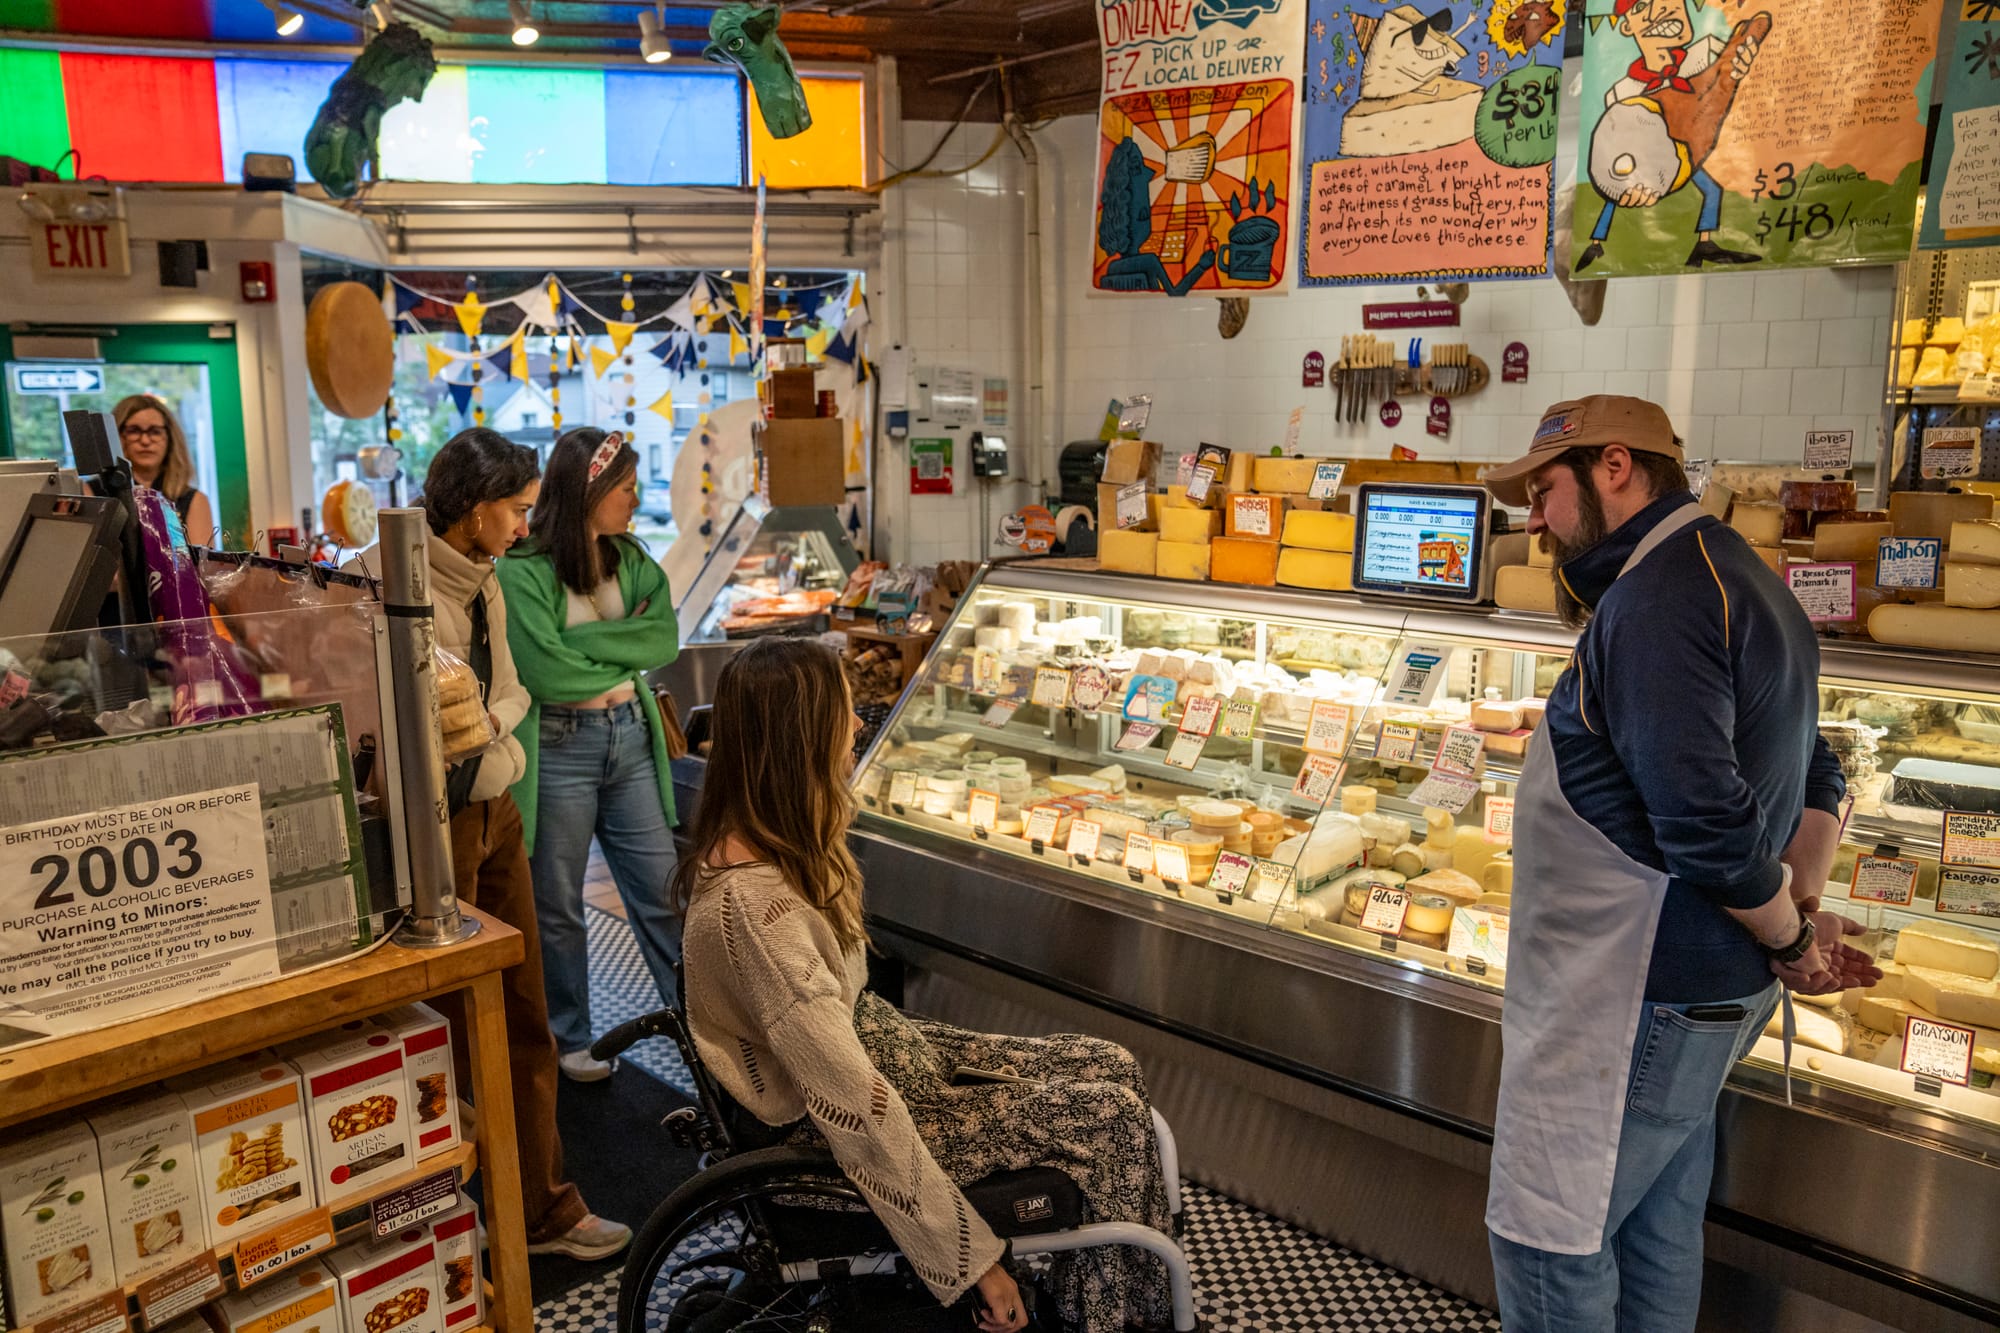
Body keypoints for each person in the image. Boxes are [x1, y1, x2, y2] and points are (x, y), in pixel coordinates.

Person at [1478, 396, 1881, 1331]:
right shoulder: (1744, 575)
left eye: (1544, 490)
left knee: (1552, 1245)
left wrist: (1789, 936)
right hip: (1695, 992)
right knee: (1655, 1231)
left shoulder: (1662, 598)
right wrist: (1799, 904)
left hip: (1629, 999)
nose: (1534, 519)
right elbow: (1817, 764)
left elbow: (1703, 819)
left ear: (1614, 467)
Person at [675, 638, 1178, 1333]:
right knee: (1112, 1118)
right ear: (798, 741)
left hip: (891, 1057)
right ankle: (1108, 1320)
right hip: (835, 1130)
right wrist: (973, 1261)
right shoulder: (759, 917)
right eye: (844, 715)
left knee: (1111, 1064)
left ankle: (1116, 1299)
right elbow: (857, 1112)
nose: (857, 728)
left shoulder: (776, 842)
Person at [414, 428, 632, 1261]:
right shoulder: (388, 582)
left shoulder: (491, 583)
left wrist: (480, 724)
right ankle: (441, 1220)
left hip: (495, 805)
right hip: (439, 826)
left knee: (523, 1012)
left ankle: (542, 1207)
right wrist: (473, 723)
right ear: (474, 512)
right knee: (442, 1028)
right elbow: (423, 729)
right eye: (513, 509)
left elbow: (504, 695)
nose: (521, 525)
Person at [496, 427, 683, 1082]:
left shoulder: (631, 559)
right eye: (626, 488)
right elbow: (545, 672)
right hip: (558, 749)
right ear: (591, 490)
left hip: (630, 737)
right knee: (558, 904)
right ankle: (568, 1038)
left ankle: (697, 1025)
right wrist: (616, 644)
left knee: (664, 891)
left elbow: (663, 635)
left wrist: (592, 645)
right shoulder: (521, 570)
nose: (636, 499)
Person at [113, 394, 215, 545]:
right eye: (134, 431)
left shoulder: (194, 500)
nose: (145, 441)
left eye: (155, 431)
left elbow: (202, 566)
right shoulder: (95, 494)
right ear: (117, 435)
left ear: (170, 437)